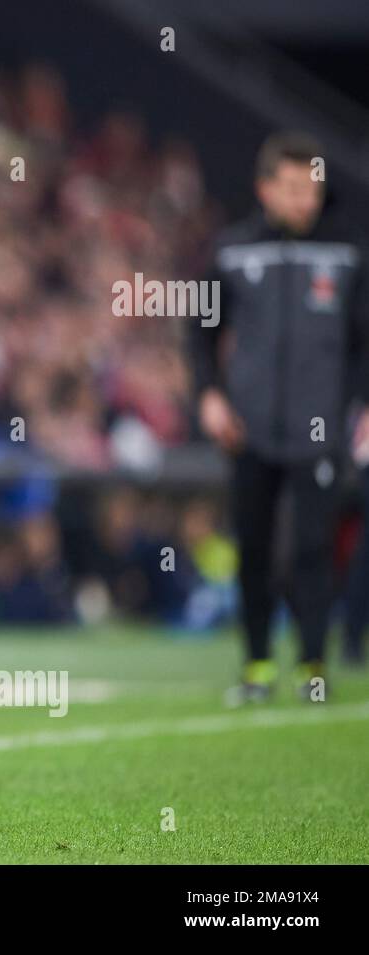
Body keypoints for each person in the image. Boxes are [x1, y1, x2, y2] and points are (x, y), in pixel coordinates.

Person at [191, 131, 369, 704]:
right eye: (292, 187)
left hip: (320, 429)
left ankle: (314, 666)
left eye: (311, 187)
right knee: (255, 551)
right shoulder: (232, 250)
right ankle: (257, 667)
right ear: (265, 188)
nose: (304, 199)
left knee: (314, 549)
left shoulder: (347, 253)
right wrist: (209, 394)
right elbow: (200, 330)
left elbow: (363, 341)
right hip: (249, 429)